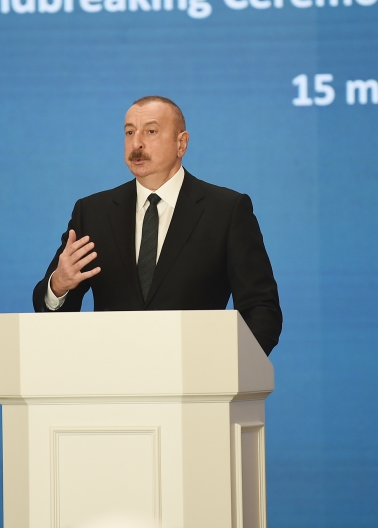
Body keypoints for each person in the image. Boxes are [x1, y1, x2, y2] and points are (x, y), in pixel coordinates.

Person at [32, 96, 282, 355]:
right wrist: (58, 285)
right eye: (130, 132)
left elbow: (261, 309)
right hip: (112, 371)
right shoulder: (93, 213)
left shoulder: (225, 211)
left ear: (181, 143)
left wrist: (229, 366)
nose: (136, 143)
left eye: (150, 131)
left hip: (199, 372)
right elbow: (50, 311)